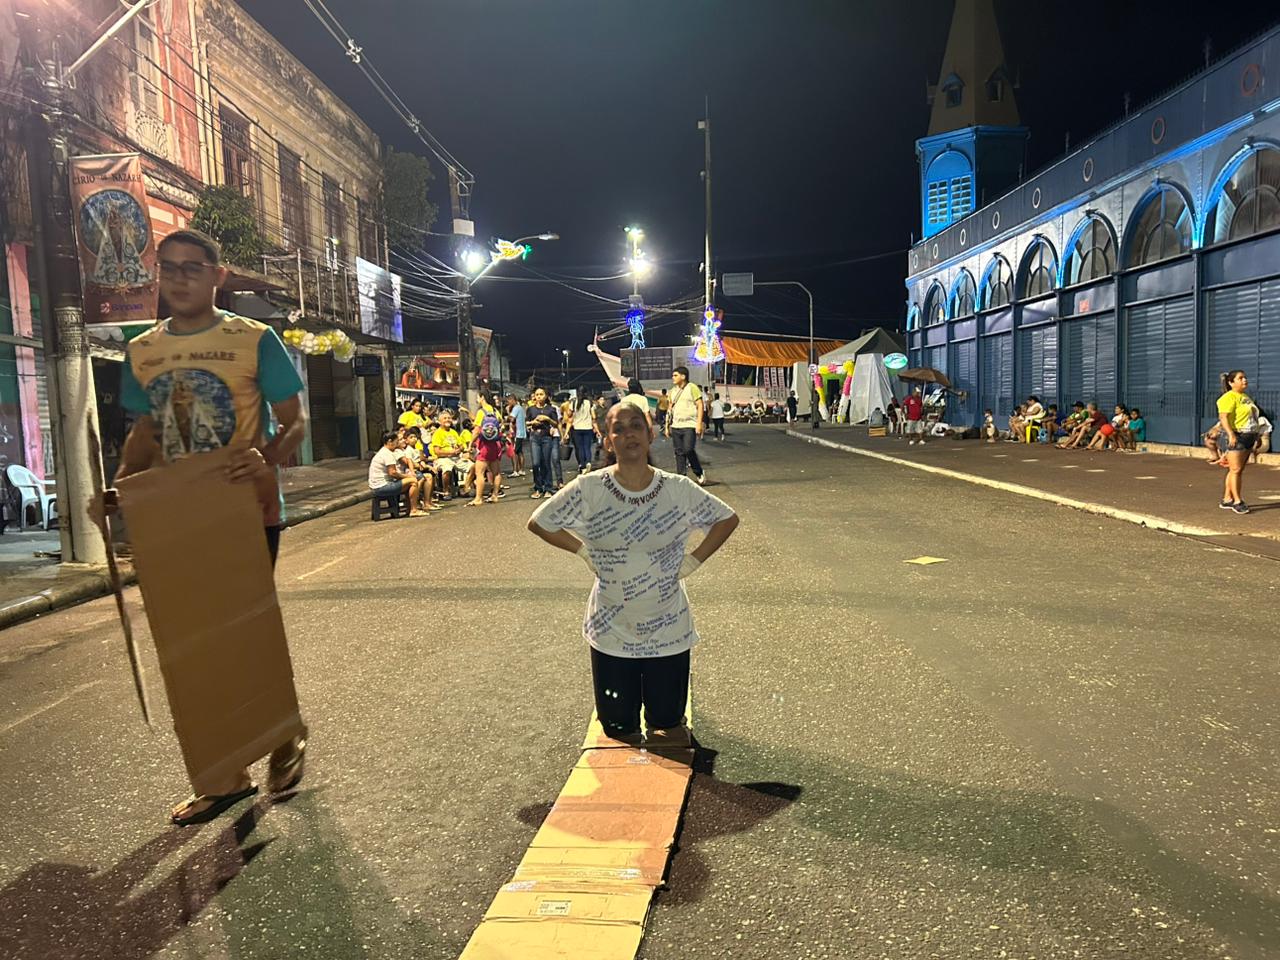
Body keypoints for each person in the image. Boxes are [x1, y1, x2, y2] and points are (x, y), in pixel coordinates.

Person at [112, 228, 309, 826]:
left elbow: (294, 422)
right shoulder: (142, 350)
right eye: (167, 268)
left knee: (243, 635)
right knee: (191, 647)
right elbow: (145, 432)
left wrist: (268, 459)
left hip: (242, 509)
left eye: (191, 268)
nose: (177, 278)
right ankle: (224, 777)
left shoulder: (254, 340)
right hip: (174, 514)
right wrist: (119, 488)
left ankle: (281, 736)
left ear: (217, 276)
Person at [527, 402, 740, 744]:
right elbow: (539, 522)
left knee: (667, 721)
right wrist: (581, 551)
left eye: (636, 426)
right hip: (612, 628)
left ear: (650, 434)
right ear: (607, 441)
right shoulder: (589, 488)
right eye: (618, 428)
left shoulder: (677, 488)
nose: (628, 434)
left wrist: (694, 560)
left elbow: (727, 519)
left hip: (668, 626)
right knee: (618, 728)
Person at [1217, 369, 1260, 514]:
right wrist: (1231, 435)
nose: (1244, 380)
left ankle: (1227, 498)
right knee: (1235, 470)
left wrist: (1257, 435)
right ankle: (1237, 501)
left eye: (1245, 378)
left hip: (1249, 436)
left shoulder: (1246, 397)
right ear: (1231, 382)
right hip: (1237, 436)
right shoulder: (1228, 398)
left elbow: (1253, 418)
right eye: (1240, 378)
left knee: (1236, 470)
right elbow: (1223, 418)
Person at [665, 366, 706, 483]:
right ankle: (682, 477)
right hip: (676, 425)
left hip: (690, 425)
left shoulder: (692, 387)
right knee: (679, 452)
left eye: (675, 375)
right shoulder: (672, 391)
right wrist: (667, 426)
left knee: (688, 449)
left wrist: (699, 423)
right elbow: (669, 408)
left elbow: (700, 405)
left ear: (683, 376)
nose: (673, 377)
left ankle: (698, 471)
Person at [526, 387, 560, 500]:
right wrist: (533, 422)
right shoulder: (531, 409)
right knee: (536, 463)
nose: (539, 396)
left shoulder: (551, 409)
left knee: (546, 462)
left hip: (546, 438)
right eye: (537, 394)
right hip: (534, 438)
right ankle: (538, 487)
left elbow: (556, 424)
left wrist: (547, 419)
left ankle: (548, 488)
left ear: (546, 396)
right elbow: (527, 422)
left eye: (541, 394)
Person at [429, 410, 465, 499]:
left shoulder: (454, 432)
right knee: (447, 469)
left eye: (449, 418)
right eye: (445, 418)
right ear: (440, 421)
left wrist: (459, 449)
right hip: (443, 458)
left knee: (473, 466)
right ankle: (446, 491)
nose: (447, 420)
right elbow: (437, 451)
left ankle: (465, 488)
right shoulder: (437, 433)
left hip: (456, 457)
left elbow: (462, 446)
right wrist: (451, 452)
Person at [571, 393, 599, 473]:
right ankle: (588, 462)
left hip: (577, 427)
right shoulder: (589, 403)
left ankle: (582, 465)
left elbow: (569, 414)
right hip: (588, 427)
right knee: (587, 447)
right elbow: (594, 416)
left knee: (580, 448)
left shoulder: (573, 403)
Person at [510, 396, 527, 477]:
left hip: (518, 433)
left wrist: (508, 416)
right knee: (520, 451)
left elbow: (512, 419)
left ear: (513, 400)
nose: (509, 403)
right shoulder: (520, 408)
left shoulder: (516, 408)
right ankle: (521, 470)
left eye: (509, 401)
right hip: (522, 432)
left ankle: (515, 471)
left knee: (515, 452)